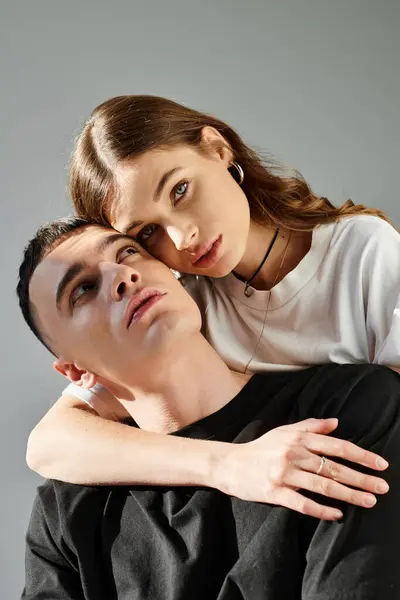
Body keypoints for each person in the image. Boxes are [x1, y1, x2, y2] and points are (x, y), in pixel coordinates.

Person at [26, 96, 400, 515]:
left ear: (219, 150)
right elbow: (50, 442)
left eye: (180, 191)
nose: (182, 237)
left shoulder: (363, 254)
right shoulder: (184, 305)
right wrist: (226, 466)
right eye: (148, 232)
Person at [19, 218, 399, 599]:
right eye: (83, 289)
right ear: (75, 370)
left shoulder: (344, 409)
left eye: (129, 252)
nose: (123, 275)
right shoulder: (66, 514)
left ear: (173, 274)